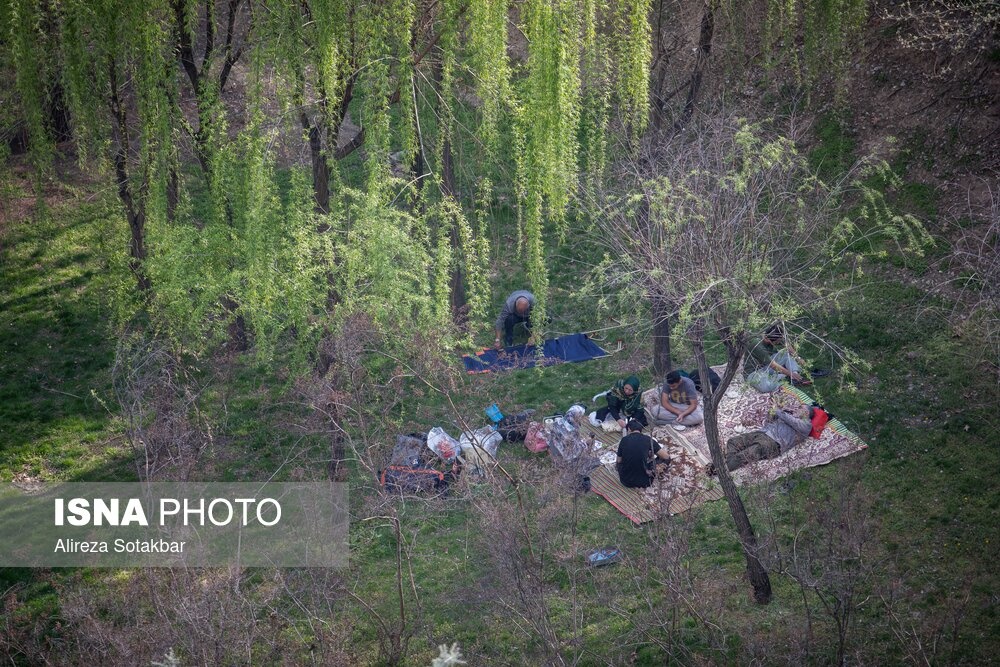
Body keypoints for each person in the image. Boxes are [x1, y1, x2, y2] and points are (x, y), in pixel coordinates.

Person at [719, 400, 814, 472]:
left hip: (773, 442)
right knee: (733, 441)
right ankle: (726, 464)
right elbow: (769, 421)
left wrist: (779, 410)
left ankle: (719, 470)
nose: (797, 409)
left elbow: (792, 421)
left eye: (800, 408)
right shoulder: (787, 415)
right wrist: (773, 410)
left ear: (806, 413)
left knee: (745, 454)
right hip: (762, 433)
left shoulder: (806, 425)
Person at [744, 324, 810, 393]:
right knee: (767, 387)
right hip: (754, 372)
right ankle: (784, 378)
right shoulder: (758, 346)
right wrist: (791, 374)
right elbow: (773, 365)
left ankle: (794, 377)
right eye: (777, 342)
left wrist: (798, 358)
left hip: (766, 366)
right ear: (769, 340)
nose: (779, 342)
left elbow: (787, 346)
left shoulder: (772, 335)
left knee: (786, 355)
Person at [616, 420, 671, 488]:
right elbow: (666, 456)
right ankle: (652, 471)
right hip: (645, 482)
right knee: (665, 459)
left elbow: (619, 460)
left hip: (626, 481)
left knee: (620, 464)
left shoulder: (624, 440)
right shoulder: (648, 439)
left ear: (629, 429)